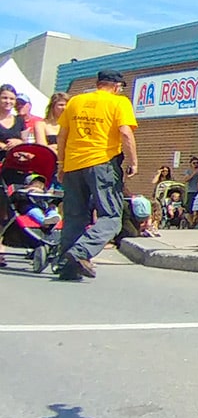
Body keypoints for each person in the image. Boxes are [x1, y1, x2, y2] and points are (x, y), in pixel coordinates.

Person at [52, 69, 138, 282]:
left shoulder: (75, 102)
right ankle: (80, 252)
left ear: (98, 83)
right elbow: (126, 133)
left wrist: (61, 164)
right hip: (102, 164)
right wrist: (133, 161)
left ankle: (67, 267)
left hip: (73, 165)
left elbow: (62, 135)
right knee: (111, 217)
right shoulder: (119, 102)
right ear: (117, 86)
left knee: (74, 217)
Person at [0, 85, 30, 151]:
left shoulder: (20, 120)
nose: (8, 101)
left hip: (14, 158)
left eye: (11, 99)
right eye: (4, 98)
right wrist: (2, 145)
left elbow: (26, 142)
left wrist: (19, 142)